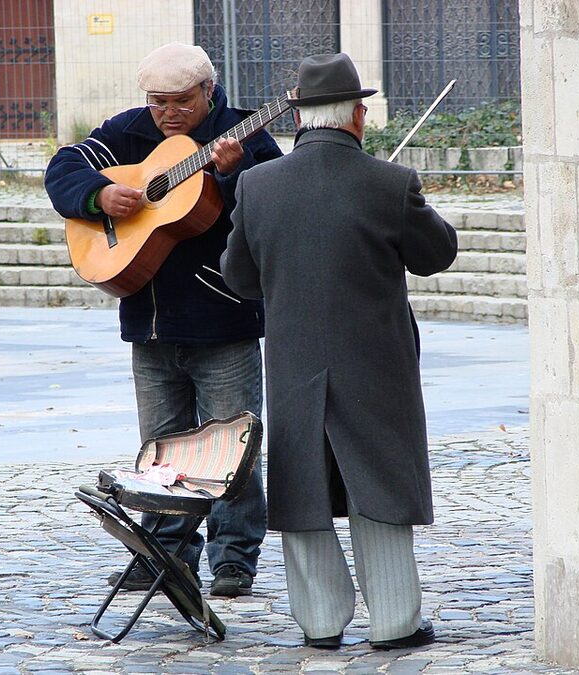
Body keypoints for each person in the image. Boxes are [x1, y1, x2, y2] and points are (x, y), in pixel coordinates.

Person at [221, 53, 458, 647]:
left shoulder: (256, 184)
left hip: (294, 363)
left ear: (298, 119)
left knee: (301, 490)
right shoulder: (389, 182)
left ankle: (321, 623)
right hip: (376, 364)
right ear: (357, 115)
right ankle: (395, 621)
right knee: (377, 485)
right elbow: (437, 255)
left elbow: (239, 277)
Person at [44, 42, 283, 597]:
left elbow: (274, 207)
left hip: (224, 318)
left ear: (209, 91)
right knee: (158, 451)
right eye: (157, 102)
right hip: (150, 320)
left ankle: (235, 559)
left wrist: (235, 172)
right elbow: (64, 167)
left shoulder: (243, 130)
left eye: (181, 101)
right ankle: (165, 555)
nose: (168, 113)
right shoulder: (127, 132)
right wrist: (98, 194)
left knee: (233, 449)